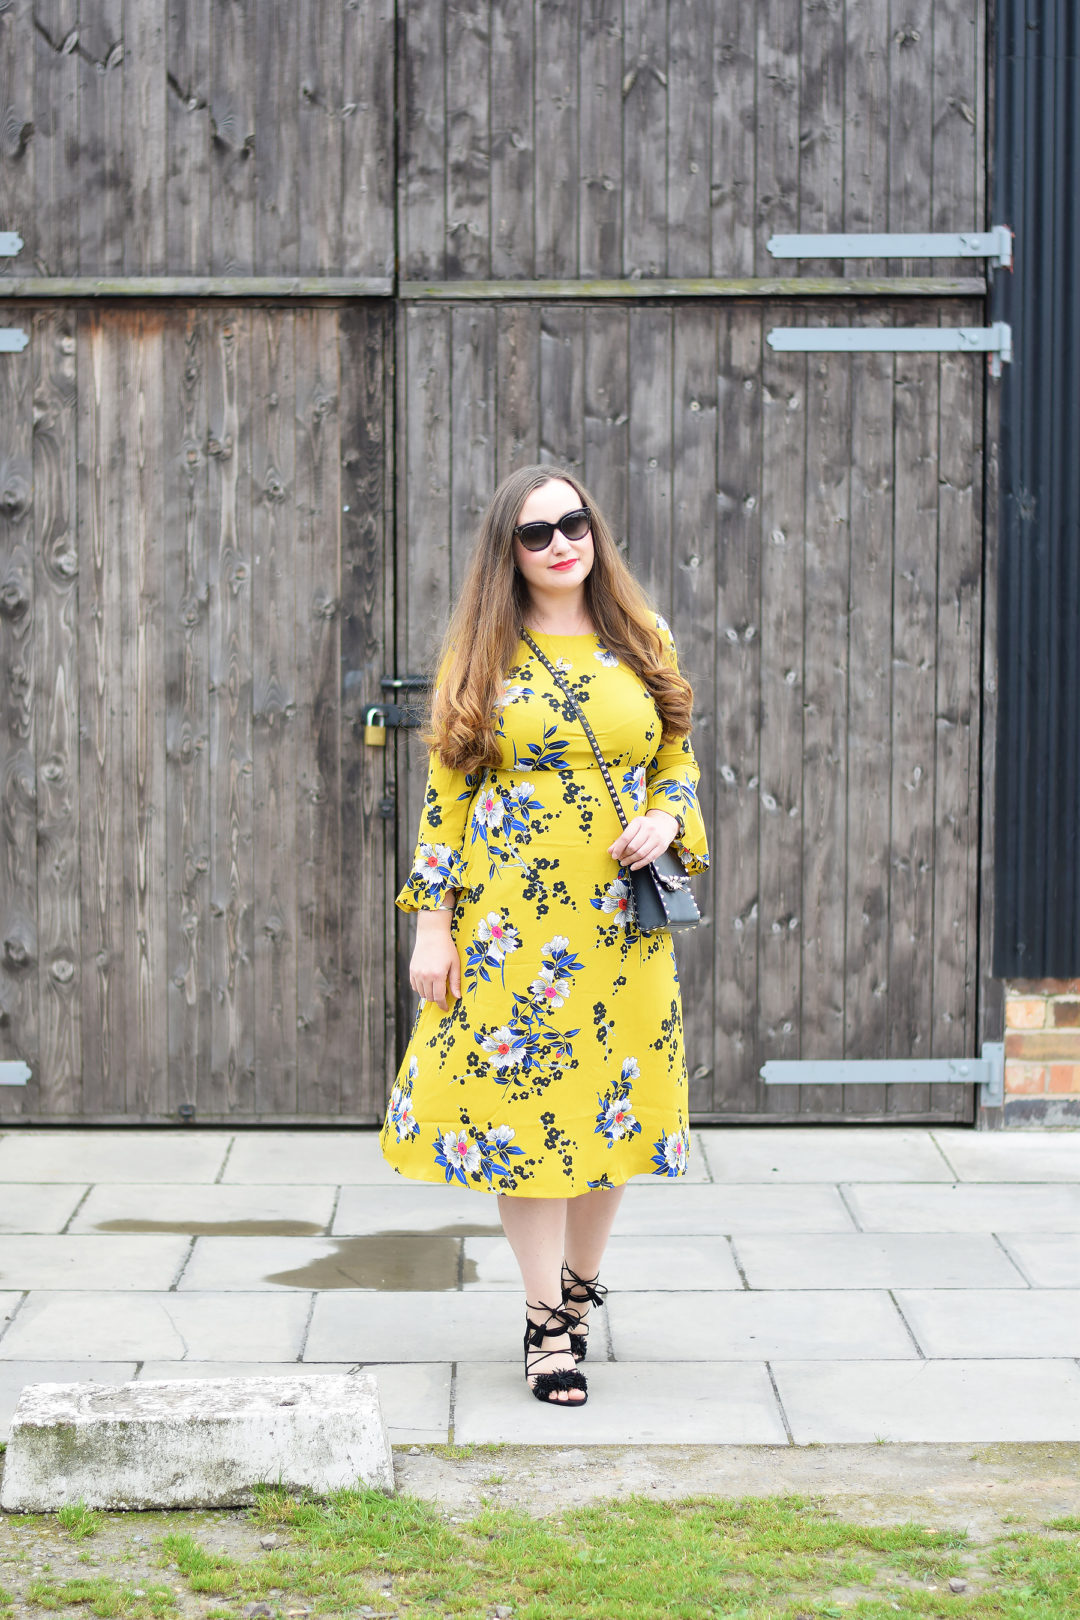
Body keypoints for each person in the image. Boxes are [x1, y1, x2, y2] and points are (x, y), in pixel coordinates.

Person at [380, 465, 709, 1406]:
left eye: (575, 522)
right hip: (511, 931)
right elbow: (446, 807)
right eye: (537, 532)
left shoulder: (641, 639)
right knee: (528, 1117)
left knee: (610, 1109)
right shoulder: (485, 656)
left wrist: (669, 818)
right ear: (509, 553)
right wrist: (431, 932)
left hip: (620, 927)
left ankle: (577, 1296)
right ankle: (542, 1324)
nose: (563, 542)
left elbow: (677, 757)